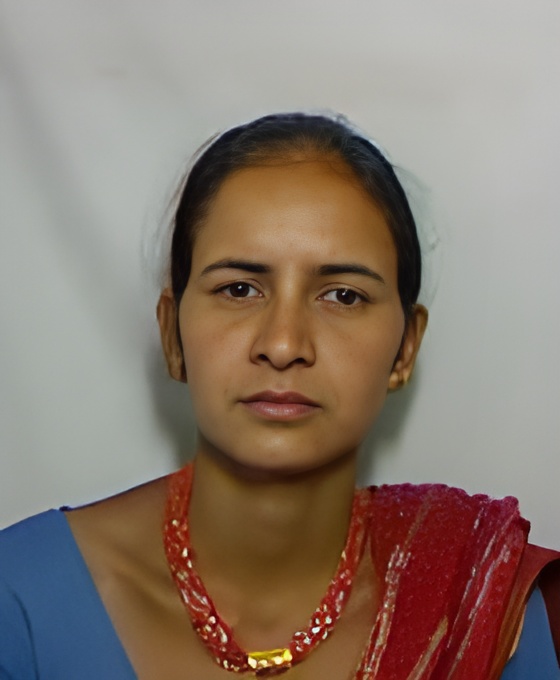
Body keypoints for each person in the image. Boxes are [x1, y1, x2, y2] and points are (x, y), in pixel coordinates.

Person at [0, 113, 558, 680]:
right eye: (239, 289)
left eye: (343, 296)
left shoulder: (479, 610)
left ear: (405, 349)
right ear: (172, 336)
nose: (284, 344)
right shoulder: (23, 600)